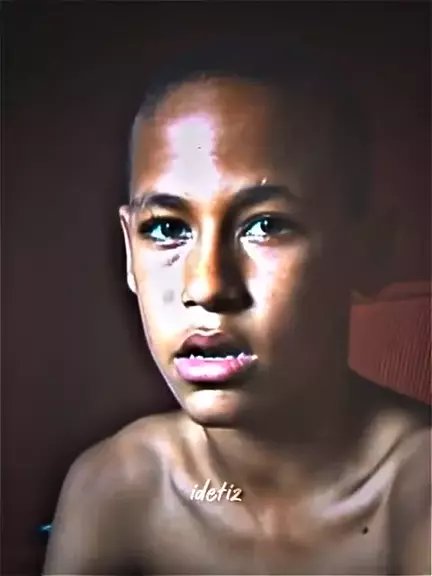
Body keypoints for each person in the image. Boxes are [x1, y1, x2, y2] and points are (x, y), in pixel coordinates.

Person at [44, 36, 431, 575]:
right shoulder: (115, 489)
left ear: (369, 252)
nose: (207, 286)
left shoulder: (416, 495)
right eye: (167, 229)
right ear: (130, 253)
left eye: (266, 225)